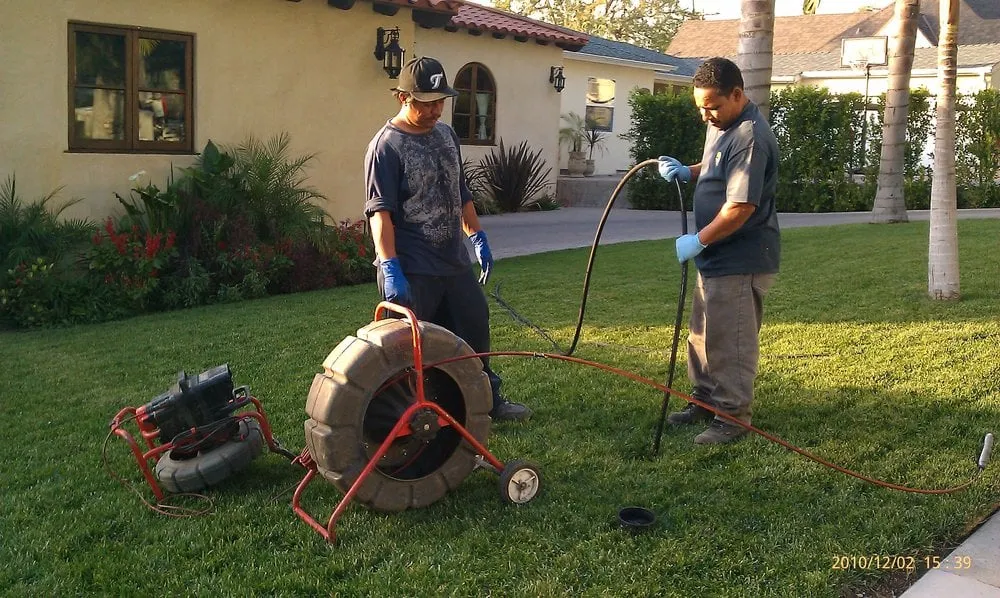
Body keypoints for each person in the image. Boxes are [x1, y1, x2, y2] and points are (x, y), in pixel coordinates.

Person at [363, 56, 532, 422]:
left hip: (452, 260)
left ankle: (486, 401)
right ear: (402, 97)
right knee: (409, 351)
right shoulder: (386, 146)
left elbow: (460, 192)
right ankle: (404, 418)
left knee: (473, 328)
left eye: (440, 101)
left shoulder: (447, 134)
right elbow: (381, 213)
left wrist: (478, 236)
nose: (435, 109)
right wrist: (390, 267)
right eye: (425, 102)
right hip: (412, 267)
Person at [657, 57, 780, 445]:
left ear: (737, 94)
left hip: (740, 258)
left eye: (712, 105)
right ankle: (704, 400)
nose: (705, 115)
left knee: (730, 340)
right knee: (702, 335)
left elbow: (740, 207)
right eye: (700, 107)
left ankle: (732, 417)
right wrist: (688, 171)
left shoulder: (751, 137)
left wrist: (699, 240)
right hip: (714, 258)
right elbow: (715, 164)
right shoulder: (723, 126)